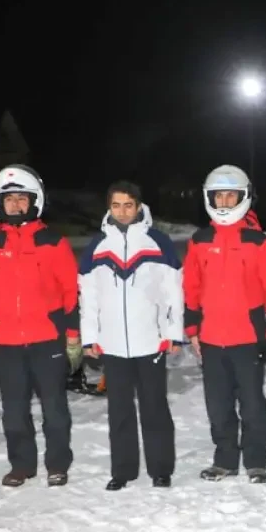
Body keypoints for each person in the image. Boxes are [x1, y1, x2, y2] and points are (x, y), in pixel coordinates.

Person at [0, 165, 80, 487]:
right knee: (14, 412)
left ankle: (57, 464)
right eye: (9, 199)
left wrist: (72, 336)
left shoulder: (53, 242)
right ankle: (22, 466)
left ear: (35, 202)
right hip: (7, 342)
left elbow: (70, 291)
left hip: (48, 340)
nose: (15, 205)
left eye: (22, 198)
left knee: (55, 410)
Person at [78, 181, 185, 491]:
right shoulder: (97, 246)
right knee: (119, 410)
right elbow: (89, 298)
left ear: (139, 206)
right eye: (116, 205)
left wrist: (173, 333)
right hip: (111, 344)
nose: (122, 212)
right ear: (108, 208)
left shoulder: (158, 243)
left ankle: (161, 469)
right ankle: (122, 471)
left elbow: (173, 294)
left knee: (154, 408)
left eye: (128, 205)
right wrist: (89, 338)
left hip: (149, 341)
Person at [183, 164, 266, 483]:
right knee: (218, 405)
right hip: (212, 339)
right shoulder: (199, 240)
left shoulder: (258, 242)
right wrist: (192, 329)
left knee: (252, 405)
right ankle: (224, 459)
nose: (225, 202)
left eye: (231, 196)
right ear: (209, 198)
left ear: (243, 197)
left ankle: (256, 459)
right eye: (219, 196)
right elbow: (191, 287)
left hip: (248, 339)